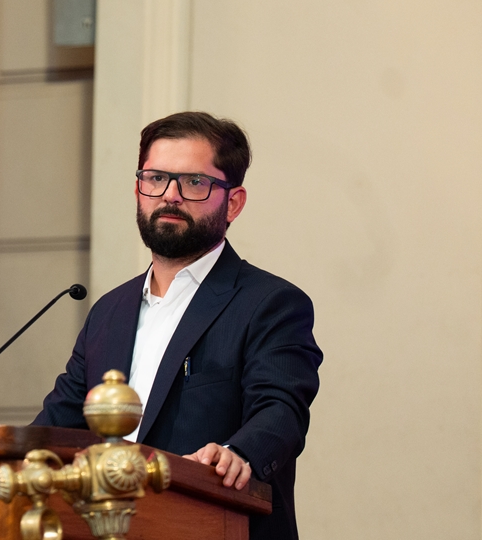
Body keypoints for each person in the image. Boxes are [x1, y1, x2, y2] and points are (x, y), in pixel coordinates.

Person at [33, 111, 323, 540]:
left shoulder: (271, 304)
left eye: (194, 182)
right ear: (138, 189)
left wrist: (235, 453)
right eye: (155, 179)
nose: (170, 195)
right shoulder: (109, 311)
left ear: (234, 202)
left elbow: (281, 410)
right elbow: (59, 425)